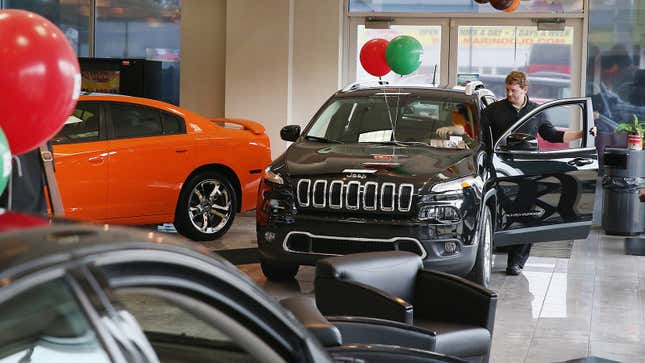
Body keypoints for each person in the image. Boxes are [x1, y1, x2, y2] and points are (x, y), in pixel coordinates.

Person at [481, 71, 596, 276]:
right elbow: (477, 132)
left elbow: (551, 135)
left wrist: (582, 133)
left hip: (528, 169)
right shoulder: (494, 110)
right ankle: (500, 245)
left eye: (514, 91)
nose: (509, 94)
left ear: (525, 89)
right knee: (506, 213)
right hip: (500, 168)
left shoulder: (537, 111)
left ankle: (516, 262)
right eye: (507, 90)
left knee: (526, 214)